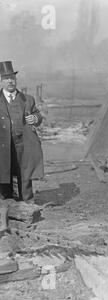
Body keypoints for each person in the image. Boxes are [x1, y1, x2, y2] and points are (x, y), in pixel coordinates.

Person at [0, 61, 44, 203]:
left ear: (16, 80)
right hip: (2, 145)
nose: (10, 81)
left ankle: (28, 206)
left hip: (23, 143)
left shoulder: (27, 99)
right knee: (4, 174)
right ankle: (6, 206)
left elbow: (38, 115)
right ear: (1, 81)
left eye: (12, 78)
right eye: (6, 78)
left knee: (25, 174)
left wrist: (35, 118)